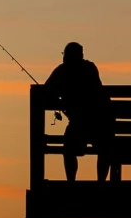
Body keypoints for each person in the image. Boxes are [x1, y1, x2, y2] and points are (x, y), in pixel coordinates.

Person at [43, 42, 116, 182]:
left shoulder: (62, 71)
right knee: (105, 148)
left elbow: (45, 92)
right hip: (99, 125)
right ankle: (101, 182)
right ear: (81, 55)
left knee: (68, 149)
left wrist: (60, 99)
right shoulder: (90, 68)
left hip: (78, 125)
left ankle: (71, 182)